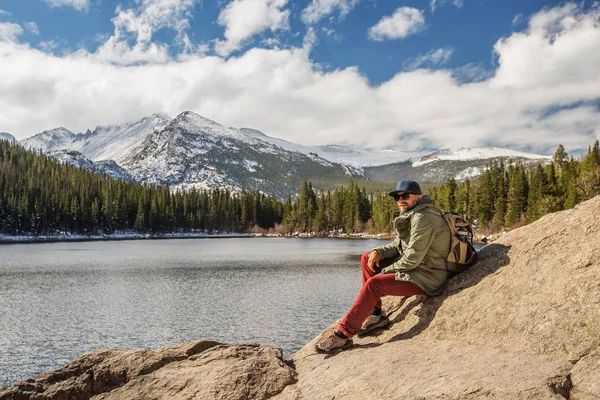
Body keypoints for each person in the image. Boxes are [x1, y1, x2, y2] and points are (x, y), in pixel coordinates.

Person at [315, 180, 452, 353]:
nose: (400, 199)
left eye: (405, 195)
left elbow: (412, 258)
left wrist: (384, 272)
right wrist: (377, 251)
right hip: (419, 269)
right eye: (397, 196)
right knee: (367, 259)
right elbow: (398, 246)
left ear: (419, 196)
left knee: (375, 285)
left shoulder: (424, 217)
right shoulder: (413, 213)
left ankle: (343, 335)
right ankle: (376, 314)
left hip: (429, 276)